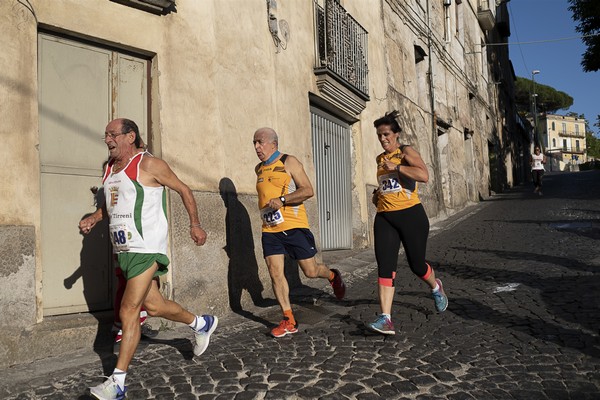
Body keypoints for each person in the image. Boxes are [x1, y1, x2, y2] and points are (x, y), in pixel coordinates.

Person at [80, 118, 218, 399]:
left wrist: (194, 224)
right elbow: (112, 204)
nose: (107, 139)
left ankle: (117, 382)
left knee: (128, 311)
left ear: (130, 136)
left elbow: (184, 190)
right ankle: (200, 323)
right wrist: (95, 216)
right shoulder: (109, 169)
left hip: (147, 248)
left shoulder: (149, 164)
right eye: (105, 134)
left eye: (112, 134)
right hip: (124, 250)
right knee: (155, 307)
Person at [253, 127, 346, 338]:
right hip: (270, 229)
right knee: (275, 272)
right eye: (255, 143)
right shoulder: (259, 169)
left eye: (260, 142)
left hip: (294, 227)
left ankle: (332, 275)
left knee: (311, 271)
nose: (257, 147)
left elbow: (307, 190)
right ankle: (288, 319)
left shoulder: (289, 162)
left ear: (273, 143)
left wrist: (283, 200)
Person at [366, 111, 448, 336]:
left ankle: (435, 286)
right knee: (385, 266)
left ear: (396, 134)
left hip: (411, 215)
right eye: (379, 136)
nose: (382, 139)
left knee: (417, 265)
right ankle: (386, 318)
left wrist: (399, 168)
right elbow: (389, 183)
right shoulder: (379, 159)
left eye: (386, 135)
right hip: (385, 217)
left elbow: (423, 175)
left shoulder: (406, 152)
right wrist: (378, 193)